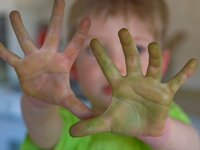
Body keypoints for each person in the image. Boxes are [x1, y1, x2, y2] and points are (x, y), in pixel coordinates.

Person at [0, 0, 199, 149]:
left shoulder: (161, 117)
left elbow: (191, 144)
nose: (114, 64)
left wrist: (160, 131)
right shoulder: (69, 122)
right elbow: (41, 130)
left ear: (162, 63)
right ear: (74, 67)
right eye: (95, 50)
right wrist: (39, 103)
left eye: (137, 49)